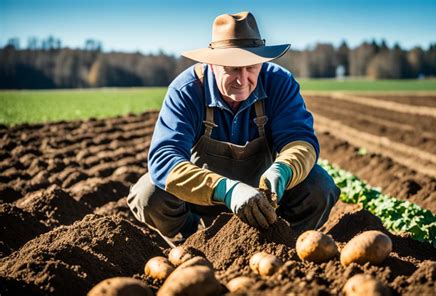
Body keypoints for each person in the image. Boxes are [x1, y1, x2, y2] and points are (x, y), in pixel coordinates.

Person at [127, 11, 340, 241]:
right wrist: (228, 191)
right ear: (212, 63)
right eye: (233, 69)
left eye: (251, 67)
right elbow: (164, 160)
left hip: (264, 200)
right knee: (147, 194)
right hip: (201, 197)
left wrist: (284, 169)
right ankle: (192, 243)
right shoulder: (186, 91)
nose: (243, 79)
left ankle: (283, 242)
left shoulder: (279, 82)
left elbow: (301, 141)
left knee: (320, 185)